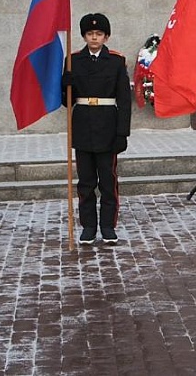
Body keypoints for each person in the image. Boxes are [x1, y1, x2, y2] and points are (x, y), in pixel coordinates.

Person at [62, 13, 132, 245]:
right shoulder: (73, 60)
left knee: (108, 181)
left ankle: (108, 226)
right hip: (83, 125)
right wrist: (66, 85)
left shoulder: (116, 61)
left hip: (108, 126)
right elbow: (67, 101)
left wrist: (122, 132)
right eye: (90, 34)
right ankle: (89, 226)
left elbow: (124, 99)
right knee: (86, 181)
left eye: (99, 34)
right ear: (84, 36)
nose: (94, 38)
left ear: (106, 36)